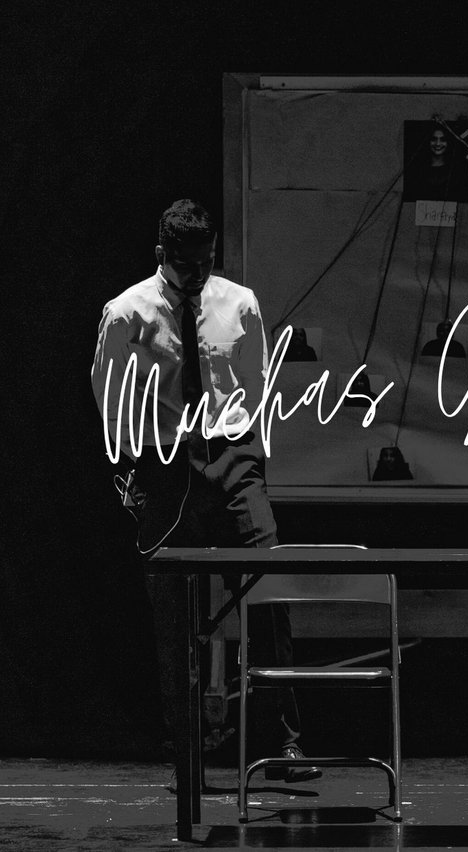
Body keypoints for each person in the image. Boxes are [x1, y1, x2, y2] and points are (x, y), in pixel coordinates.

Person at [91, 199, 319, 782]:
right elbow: (108, 396)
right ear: (161, 254)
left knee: (268, 593)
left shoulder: (239, 303)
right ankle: (184, 747)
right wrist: (138, 468)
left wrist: (249, 454)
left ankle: (283, 744)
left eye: (207, 261)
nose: (198, 274)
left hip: (232, 457)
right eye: (187, 264)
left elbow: (255, 382)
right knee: (174, 614)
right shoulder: (127, 312)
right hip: (168, 464)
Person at [402, 123, 468, 202]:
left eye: (442, 139)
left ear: (448, 142)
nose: (438, 143)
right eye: (434, 139)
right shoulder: (417, 170)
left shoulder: (456, 171)